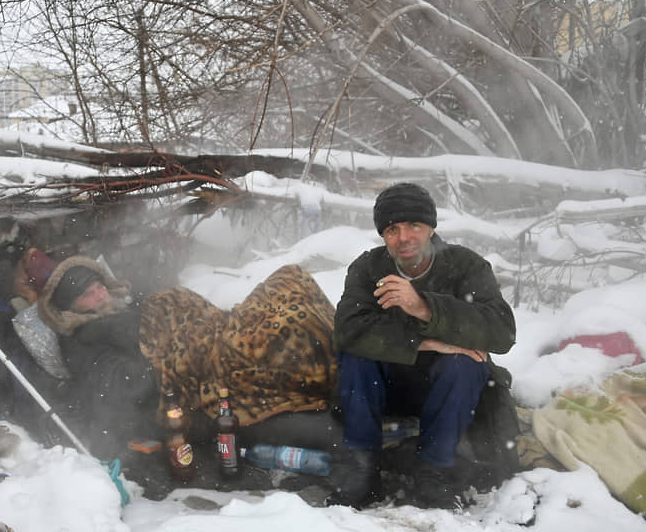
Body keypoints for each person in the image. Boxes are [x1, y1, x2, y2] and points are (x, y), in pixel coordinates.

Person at [33, 255, 338, 468]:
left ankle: (339, 348)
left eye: (100, 285)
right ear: (70, 308)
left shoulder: (121, 310)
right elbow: (124, 384)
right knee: (282, 328)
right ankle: (332, 367)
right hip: (204, 362)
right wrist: (174, 354)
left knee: (290, 279)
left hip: (217, 331)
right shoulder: (84, 341)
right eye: (88, 294)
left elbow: (175, 310)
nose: (100, 294)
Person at [326, 182, 517, 509]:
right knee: (356, 353)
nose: (404, 238)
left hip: (448, 390)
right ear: (383, 236)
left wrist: (424, 307)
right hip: (387, 387)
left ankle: (434, 471)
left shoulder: (465, 265)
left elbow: (502, 331)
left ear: (430, 227)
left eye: (414, 225)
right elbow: (348, 330)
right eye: (392, 229)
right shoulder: (369, 269)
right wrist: (429, 341)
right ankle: (363, 469)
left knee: (467, 361)